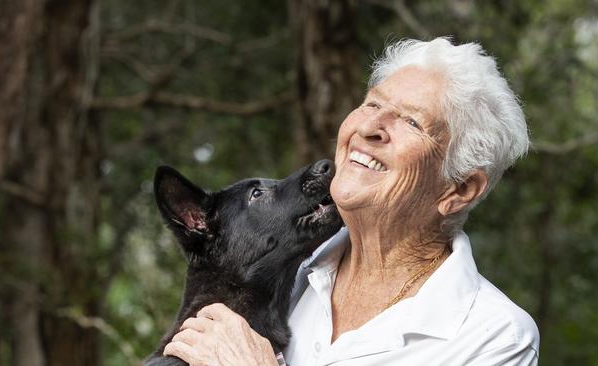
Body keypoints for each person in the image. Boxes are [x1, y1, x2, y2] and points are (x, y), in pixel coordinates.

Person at [163, 37, 540, 365]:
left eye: (411, 122)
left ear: (459, 189)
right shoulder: (275, 273)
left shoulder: (495, 336)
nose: (369, 127)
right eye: (373, 104)